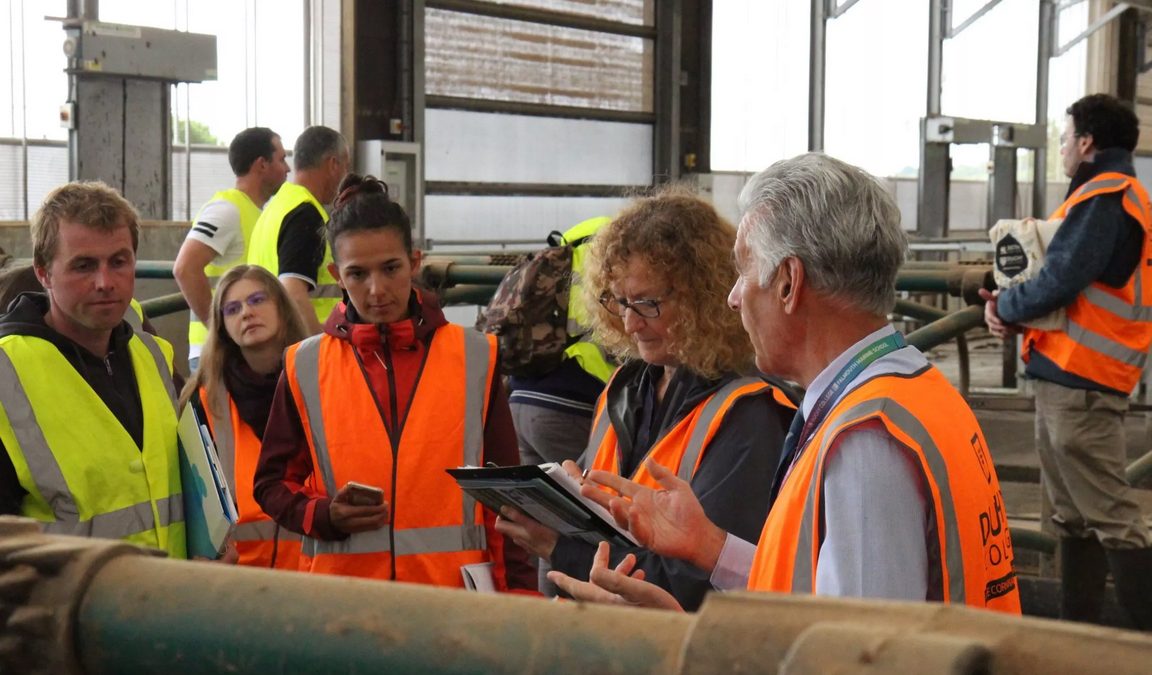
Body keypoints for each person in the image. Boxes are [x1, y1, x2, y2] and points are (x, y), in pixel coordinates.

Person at [551, 153, 1022, 614]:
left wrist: (678, 643)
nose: (733, 297)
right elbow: (827, 593)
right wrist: (712, 548)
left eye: (744, 269)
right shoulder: (908, 391)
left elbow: (856, 653)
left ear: (789, 283)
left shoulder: (864, 438)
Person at [495, 188, 792, 609]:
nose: (631, 322)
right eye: (620, 302)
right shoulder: (625, 386)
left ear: (704, 297)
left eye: (648, 303)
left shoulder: (751, 413)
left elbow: (701, 583)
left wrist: (562, 548)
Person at [254, 174, 534, 590]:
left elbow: (509, 497)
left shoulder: (476, 356)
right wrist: (324, 515)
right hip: (346, 604)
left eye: (390, 269)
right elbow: (271, 484)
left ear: (415, 262)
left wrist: (522, 597)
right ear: (335, 273)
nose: (376, 289)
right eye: (357, 274)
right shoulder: (304, 365)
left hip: (450, 606)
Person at [983, 93, 1152, 629]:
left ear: (1086, 143)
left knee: (1114, 520)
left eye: (1063, 138)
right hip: (1070, 378)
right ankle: (1073, 637)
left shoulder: (1105, 197)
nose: (1059, 149)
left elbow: (1061, 277)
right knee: (1073, 519)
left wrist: (1006, 307)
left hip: (1083, 383)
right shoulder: (1113, 196)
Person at [0, 181, 186, 558]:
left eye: (119, 261)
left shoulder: (155, 355)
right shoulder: (8, 371)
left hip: (173, 601)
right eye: (83, 266)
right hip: (69, 612)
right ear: (43, 274)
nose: (105, 282)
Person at [178, 264, 308, 570]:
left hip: (314, 577)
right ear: (222, 327)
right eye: (232, 309)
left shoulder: (319, 382)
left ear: (282, 307)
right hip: (240, 582)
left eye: (257, 300)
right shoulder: (204, 401)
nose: (246, 313)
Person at [174, 127, 290, 370]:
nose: (287, 168)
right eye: (281, 159)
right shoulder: (226, 210)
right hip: (221, 354)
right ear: (262, 164)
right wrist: (223, 333)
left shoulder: (258, 213)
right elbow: (185, 268)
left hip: (243, 348)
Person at [248, 125, 350, 335]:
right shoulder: (306, 213)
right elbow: (293, 290)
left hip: (272, 341)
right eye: (345, 167)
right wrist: (318, 348)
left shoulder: (276, 207)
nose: (345, 175)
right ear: (333, 164)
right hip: (301, 347)